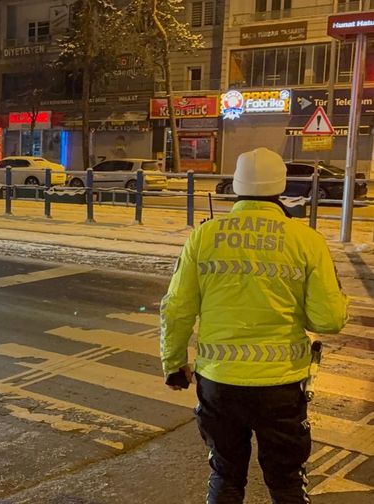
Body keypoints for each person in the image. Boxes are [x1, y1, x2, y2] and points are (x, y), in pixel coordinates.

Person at [160, 148, 347, 504]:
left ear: (236, 185)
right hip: (282, 385)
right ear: (281, 186)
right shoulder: (306, 240)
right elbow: (329, 319)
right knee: (286, 481)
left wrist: (173, 364)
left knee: (226, 475)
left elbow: (177, 308)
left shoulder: (204, 236)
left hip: (219, 383)